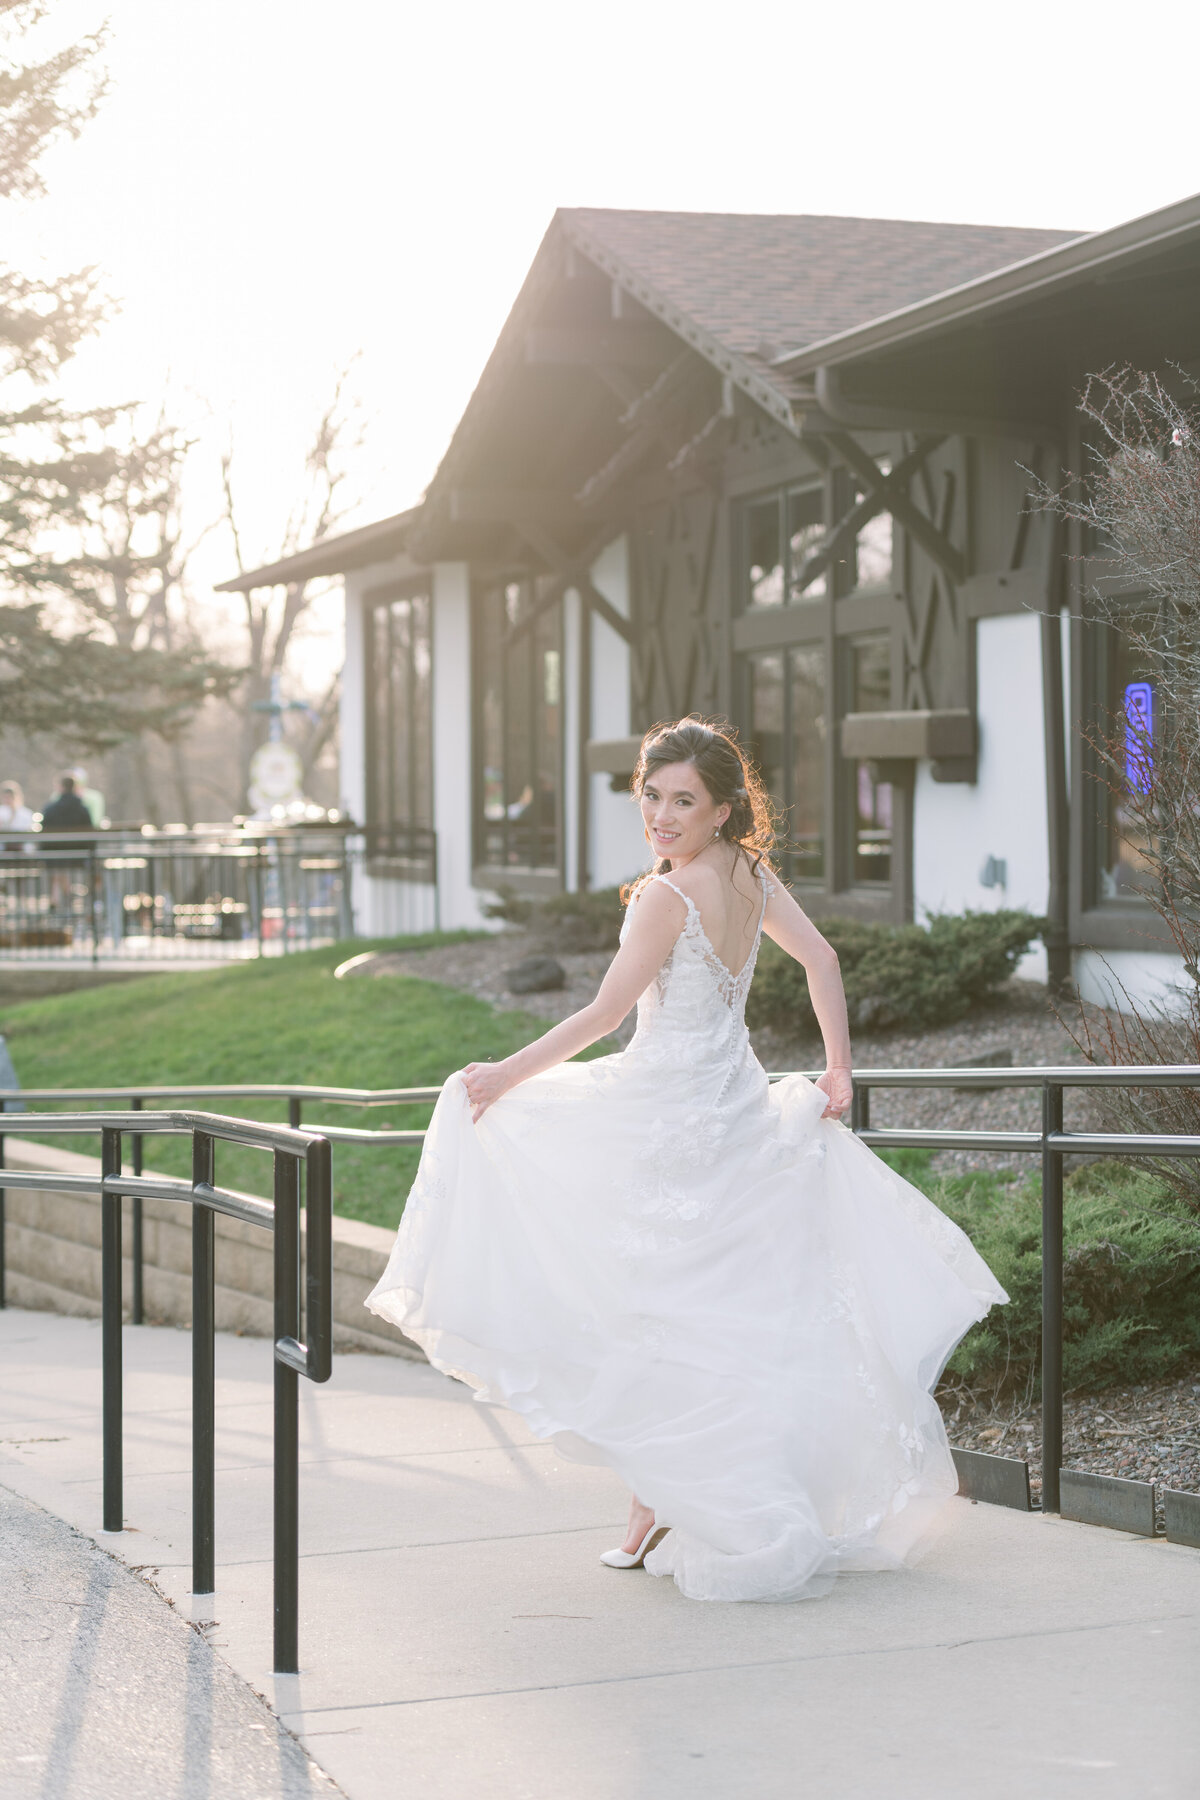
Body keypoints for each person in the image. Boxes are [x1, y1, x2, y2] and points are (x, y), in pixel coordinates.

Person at [366, 717, 1007, 1604]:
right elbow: (821, 961)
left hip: (666, 1120)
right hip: (736, 1116)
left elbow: (604, 1016)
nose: (662, 817)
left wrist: (505, 1075)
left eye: (682, 802)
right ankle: (656, 1507)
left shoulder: (664, 899)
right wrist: (836, 1069)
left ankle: (663, 1506)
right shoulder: (748, 875)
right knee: (710, 1319)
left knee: (650, 1316)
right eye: (652, 798)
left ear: (721, 809)